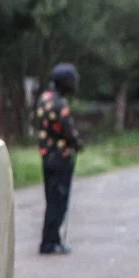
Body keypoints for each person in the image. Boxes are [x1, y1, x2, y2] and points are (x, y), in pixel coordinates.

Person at [35, 63, 83, 254]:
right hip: (61, 157)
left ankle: (50, 239)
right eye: (73, 80)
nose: (75, 84)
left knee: (51, 198)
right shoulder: (59, 104)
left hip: (47, 156)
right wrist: (77, 143)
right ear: (64, 82)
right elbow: (68, 131)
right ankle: (51, 242)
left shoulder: (44, 99)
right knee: (59, 200)